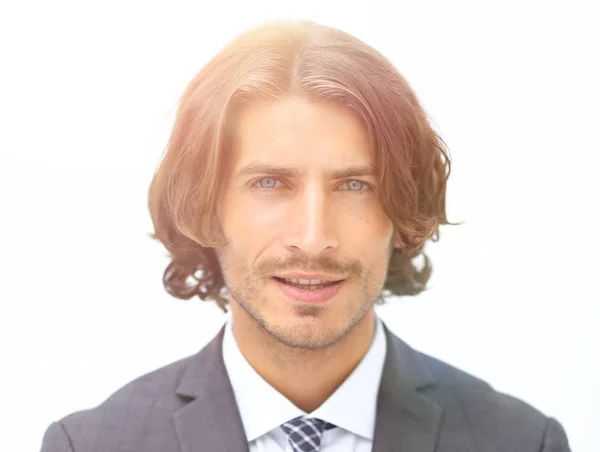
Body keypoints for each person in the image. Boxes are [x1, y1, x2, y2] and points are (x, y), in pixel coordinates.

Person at [40, 20, 571, 452]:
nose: (314, 238)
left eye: (355, 184)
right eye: (270, 183)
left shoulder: (523, 442)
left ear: (402, 209)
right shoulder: (89, 445)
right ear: (206, 204)